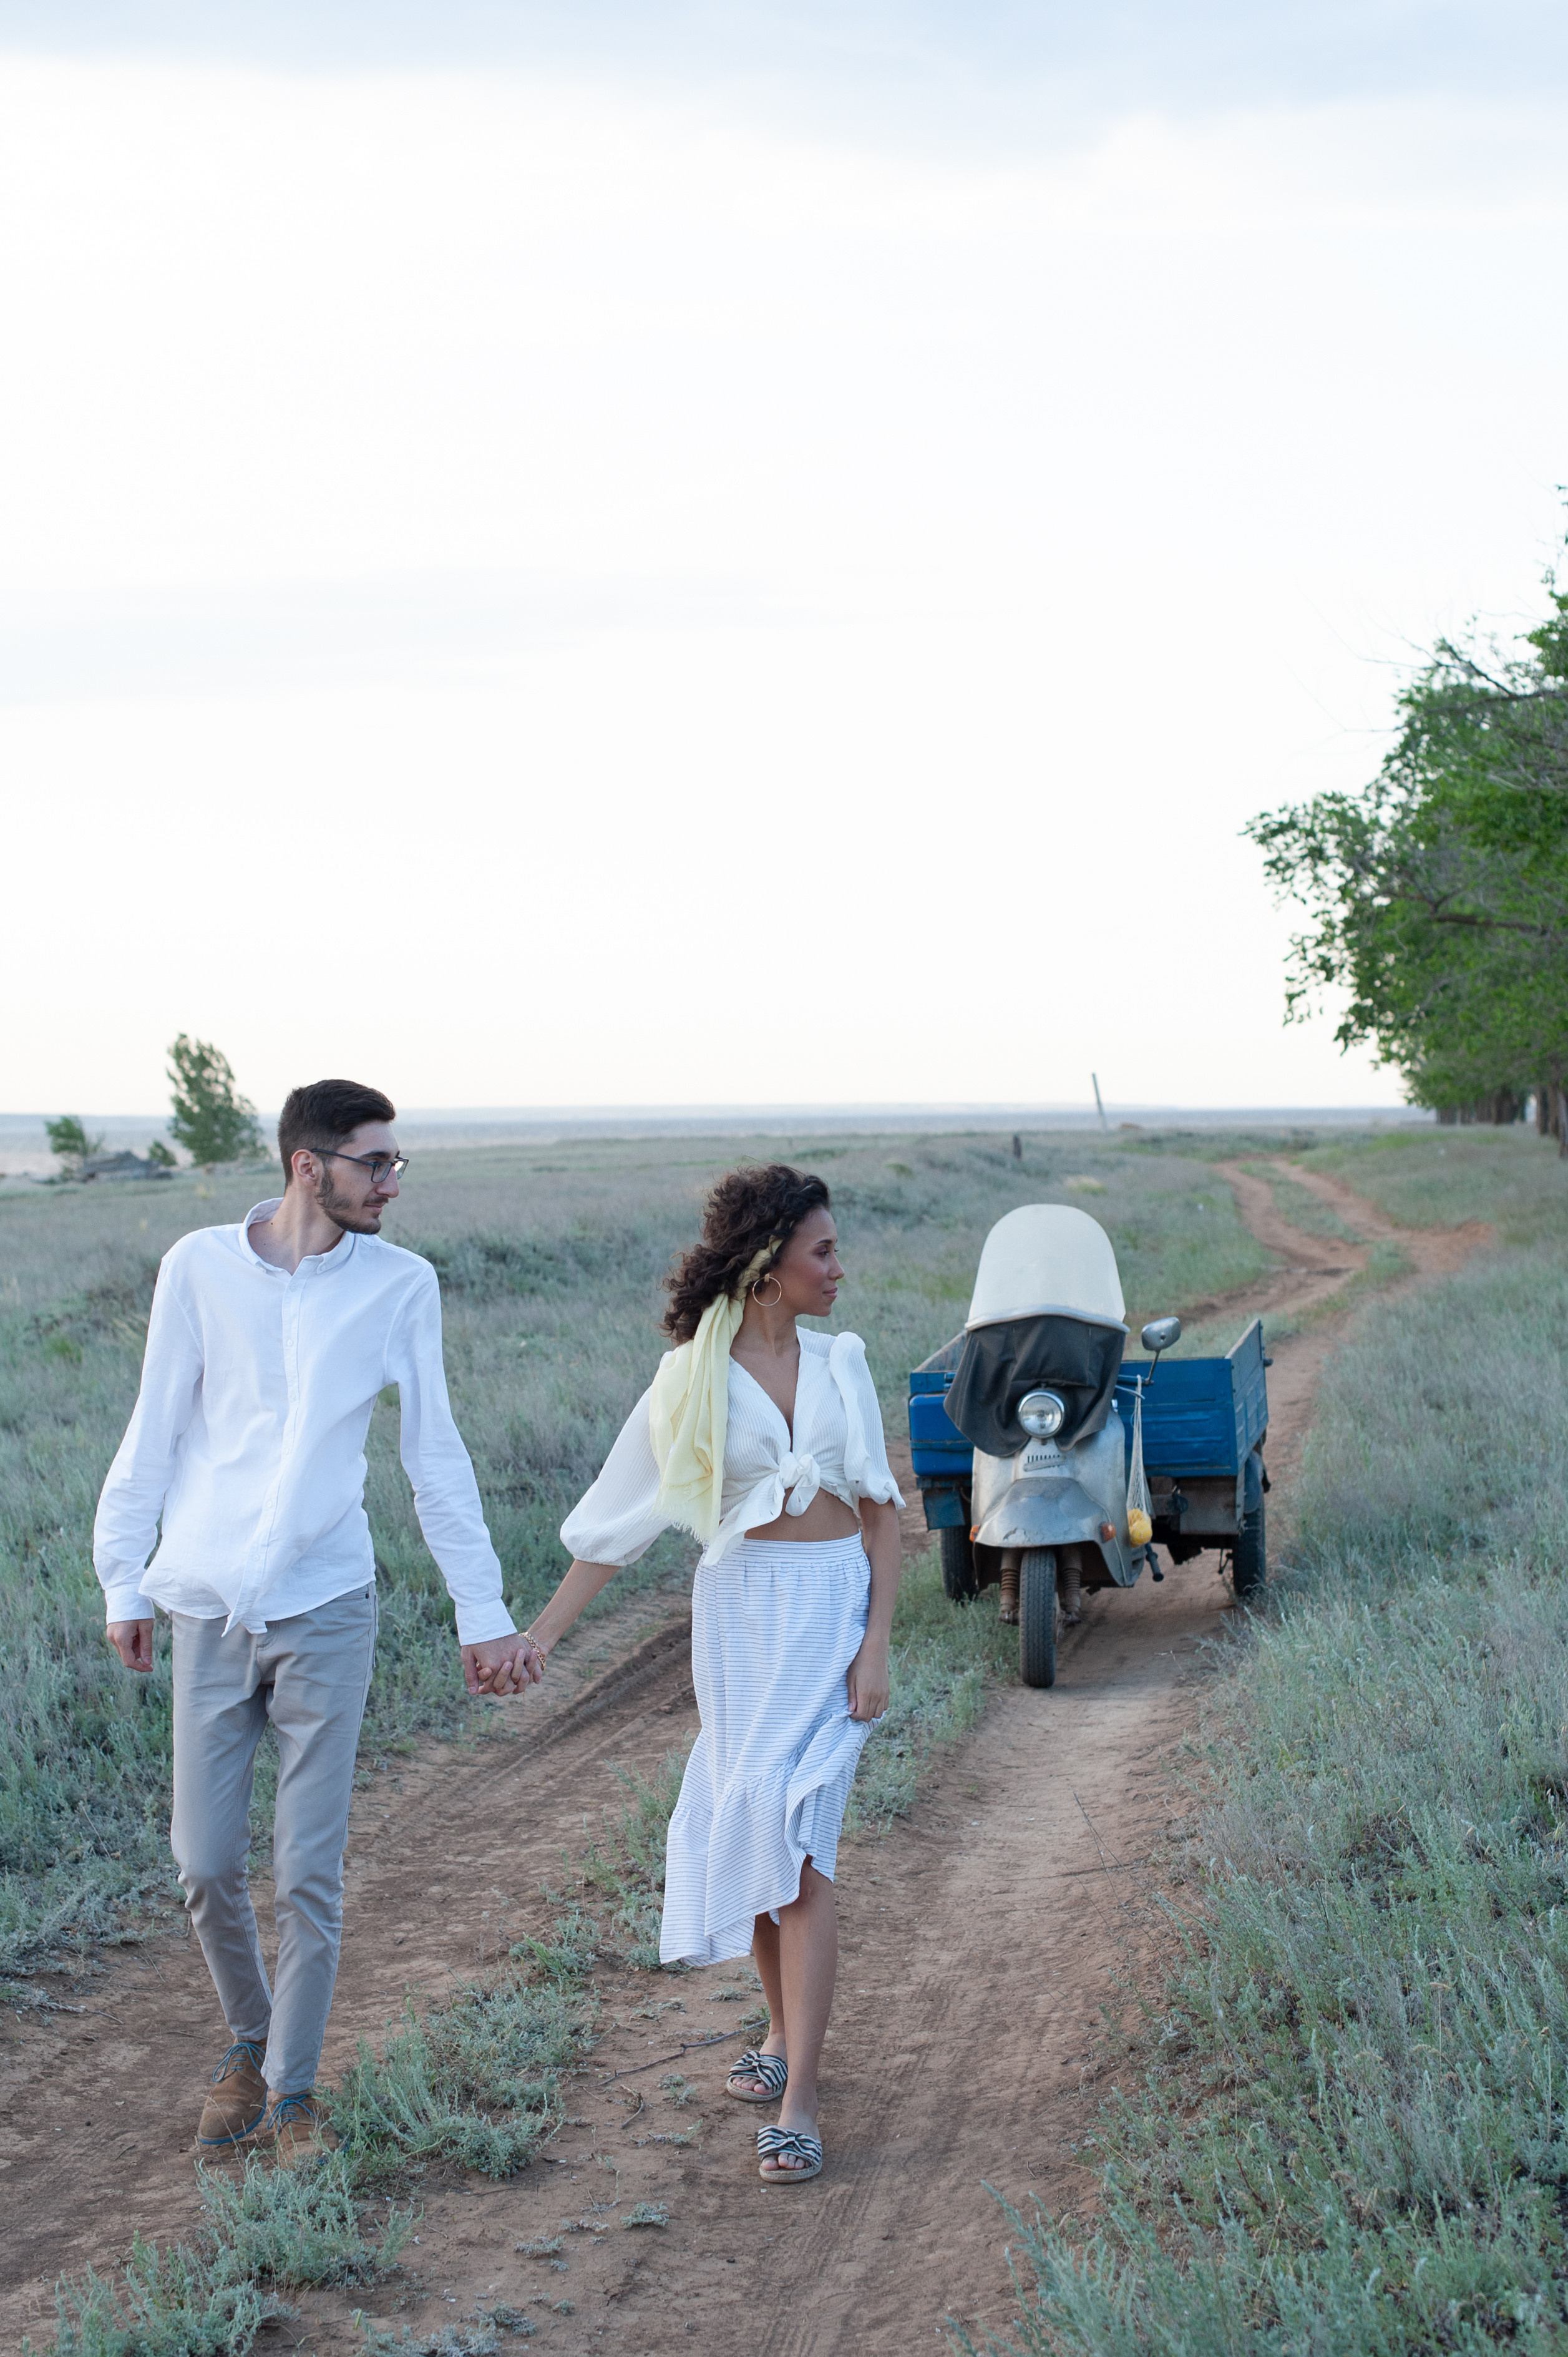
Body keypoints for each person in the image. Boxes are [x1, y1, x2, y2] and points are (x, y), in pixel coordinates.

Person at [94, 1078, 542, 2164]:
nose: (392, 1182)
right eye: (374, 1163)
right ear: (309, 1165)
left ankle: (293, 2093)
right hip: (207, 1599)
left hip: (329, 1602)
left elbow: (434, 1456)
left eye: (395, 1162)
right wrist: (123, 1578)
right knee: (203, 1861)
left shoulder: (400, 1285)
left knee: (307, 1869)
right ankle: (252, 2037)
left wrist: (482, 1611)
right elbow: (154, 1425)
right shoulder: (197, 1265)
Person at [520, 1163, 902, 2186]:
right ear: (769, 1262)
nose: (838, 1267)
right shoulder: (688, 1376)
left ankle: (800, 2098)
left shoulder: (841, 1363)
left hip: (830, 1614)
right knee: (755, 1822)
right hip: (740, 1618)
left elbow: (880, 1512)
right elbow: (618, 1522)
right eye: (822, 1250)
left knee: (802, 1843)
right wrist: (543, 1635)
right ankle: (777, 2031)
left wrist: (875, 1644)